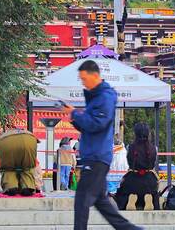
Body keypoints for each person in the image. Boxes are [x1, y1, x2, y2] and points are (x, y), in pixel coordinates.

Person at [62, 60, 141, 230]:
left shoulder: (105, 96)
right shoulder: (96, 98)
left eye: (84, 78)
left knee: (82, 200)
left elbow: (98, 123)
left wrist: (76, 112)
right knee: (102, 203)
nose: (82, 82)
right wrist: (74, 118)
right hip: (94, 155)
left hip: (97, 157)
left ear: (95, 75)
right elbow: (89, 126)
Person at [114, 123, 159, 211]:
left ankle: (131, 200)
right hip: (149, 181)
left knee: (123, 192)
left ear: (135, 133)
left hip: (132, 180)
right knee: (153, 191)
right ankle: (148, 199)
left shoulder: (129, 147)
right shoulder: (154, 148)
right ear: (148, 133)